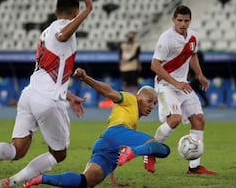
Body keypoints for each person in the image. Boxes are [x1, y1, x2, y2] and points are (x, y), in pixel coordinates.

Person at [0, 0, 94, 188]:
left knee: (17, 149)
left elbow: (49, 70)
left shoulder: (45, 33)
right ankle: (12, 182)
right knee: (59, 154)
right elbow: (63, 35)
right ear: (74, 12)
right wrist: (87, 11)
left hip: (29, 95)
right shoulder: (60, 28)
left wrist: (68, 94)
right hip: (48, 101)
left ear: (56, 11)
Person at [23, 67, 170, 188]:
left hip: (104, 142)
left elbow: (116, 144)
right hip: (116, 133)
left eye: (155, 103)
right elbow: (108, 91)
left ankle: (41, 179)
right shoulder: (130, 99)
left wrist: (112, 178)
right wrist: (86, 79)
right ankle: (137, 152)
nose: (152, 106)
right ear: (138, 97)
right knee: (163, 149)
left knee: (85, 182)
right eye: (149, 101)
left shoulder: (130, 116)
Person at [149, 5, 215, 175]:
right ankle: (150, 152)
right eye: (180, 20)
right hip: (165, 85)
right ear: (173, 20)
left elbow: (192, 55)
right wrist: (176, 83)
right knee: (175, 119)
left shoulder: (193, 37)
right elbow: (154, 65)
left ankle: (194, 167)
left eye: (186, 20)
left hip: (183, 85)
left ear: (190, 20)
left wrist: (200, 75)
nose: (183, 24)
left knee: (199, 120)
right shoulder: (166, 38)